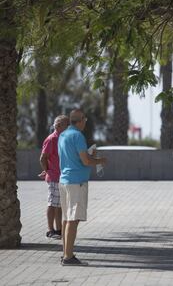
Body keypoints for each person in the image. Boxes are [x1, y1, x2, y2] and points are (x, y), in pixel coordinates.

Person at [58, 109, 107, 266]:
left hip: (64, 180)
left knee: (66, 218)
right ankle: (68, 257)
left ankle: (65, 253)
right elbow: (85, 161)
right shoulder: (78, 136)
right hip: (76, 182)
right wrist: (100, 161)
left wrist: (87, 155)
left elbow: (73, 157)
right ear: (80, 120)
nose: (85, 122)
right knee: (73, 219)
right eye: (84, 119)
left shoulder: (63, 135)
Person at [39, 115, 69, 239]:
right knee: (52, 204)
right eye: (66, 124)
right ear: (58, 126)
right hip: (54, 177)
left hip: (64, 177)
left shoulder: (65, 138)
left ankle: (59, 230)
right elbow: (42, 158)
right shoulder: (51, 139)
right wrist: (47, 171)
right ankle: (50, 231)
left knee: (59, 205)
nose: (68, 127)